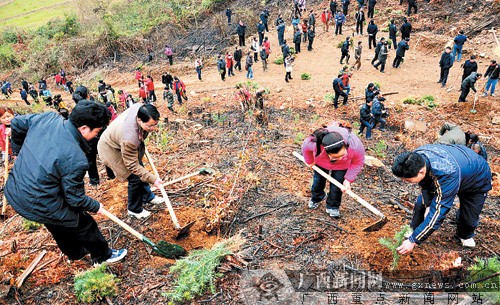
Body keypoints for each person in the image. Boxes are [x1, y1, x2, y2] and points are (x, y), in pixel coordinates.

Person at [5, 101, 127, 264]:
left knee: (56, 221)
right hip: (36, 198)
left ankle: (75, 254)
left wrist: (18, 151)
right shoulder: (75, 158)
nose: (96, 136)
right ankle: (102, 256)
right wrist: (95, 206)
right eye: (96, 132)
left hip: (16, 189)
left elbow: (17, 123)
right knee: (82, 222)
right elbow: (75, 199)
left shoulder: (47, 118)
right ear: (84, 128)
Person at [391, 145, 492, 253]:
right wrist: (429, 204)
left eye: (407, 180)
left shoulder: (447, 173)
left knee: (468, 217)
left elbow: (439, 212)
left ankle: (465, 235)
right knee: (422, 203)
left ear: (421, 172)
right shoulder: (416, 157)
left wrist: (413, 241)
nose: (404, 182)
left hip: (476, 180)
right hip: (459, 166)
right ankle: (414, 229)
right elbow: (424, 184)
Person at [98, 103, 164, 219]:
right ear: (139, 120)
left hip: (121, 142)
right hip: (110, 148)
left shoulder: (141, 108)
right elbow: (132, 165)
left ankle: (148, 197)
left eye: (155, 124)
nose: (153, 129)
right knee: (135, 177)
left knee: (141, 170)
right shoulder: (130, 138)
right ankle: (134, 209)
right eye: (150, 126)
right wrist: (154, 180)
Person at [302, 122, 365, 218]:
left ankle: (333, 206)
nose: (340, 158)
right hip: (321, 162)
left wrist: (348, 180)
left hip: (343, 166)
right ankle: (317, 197)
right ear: (326, 151)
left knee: (337, 186)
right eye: (335, 157)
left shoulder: (355, 146)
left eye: (342, 155)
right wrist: (310, 161)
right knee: (318, 181)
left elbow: (358, 162)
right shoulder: (316, 143)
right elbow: (305, 147)